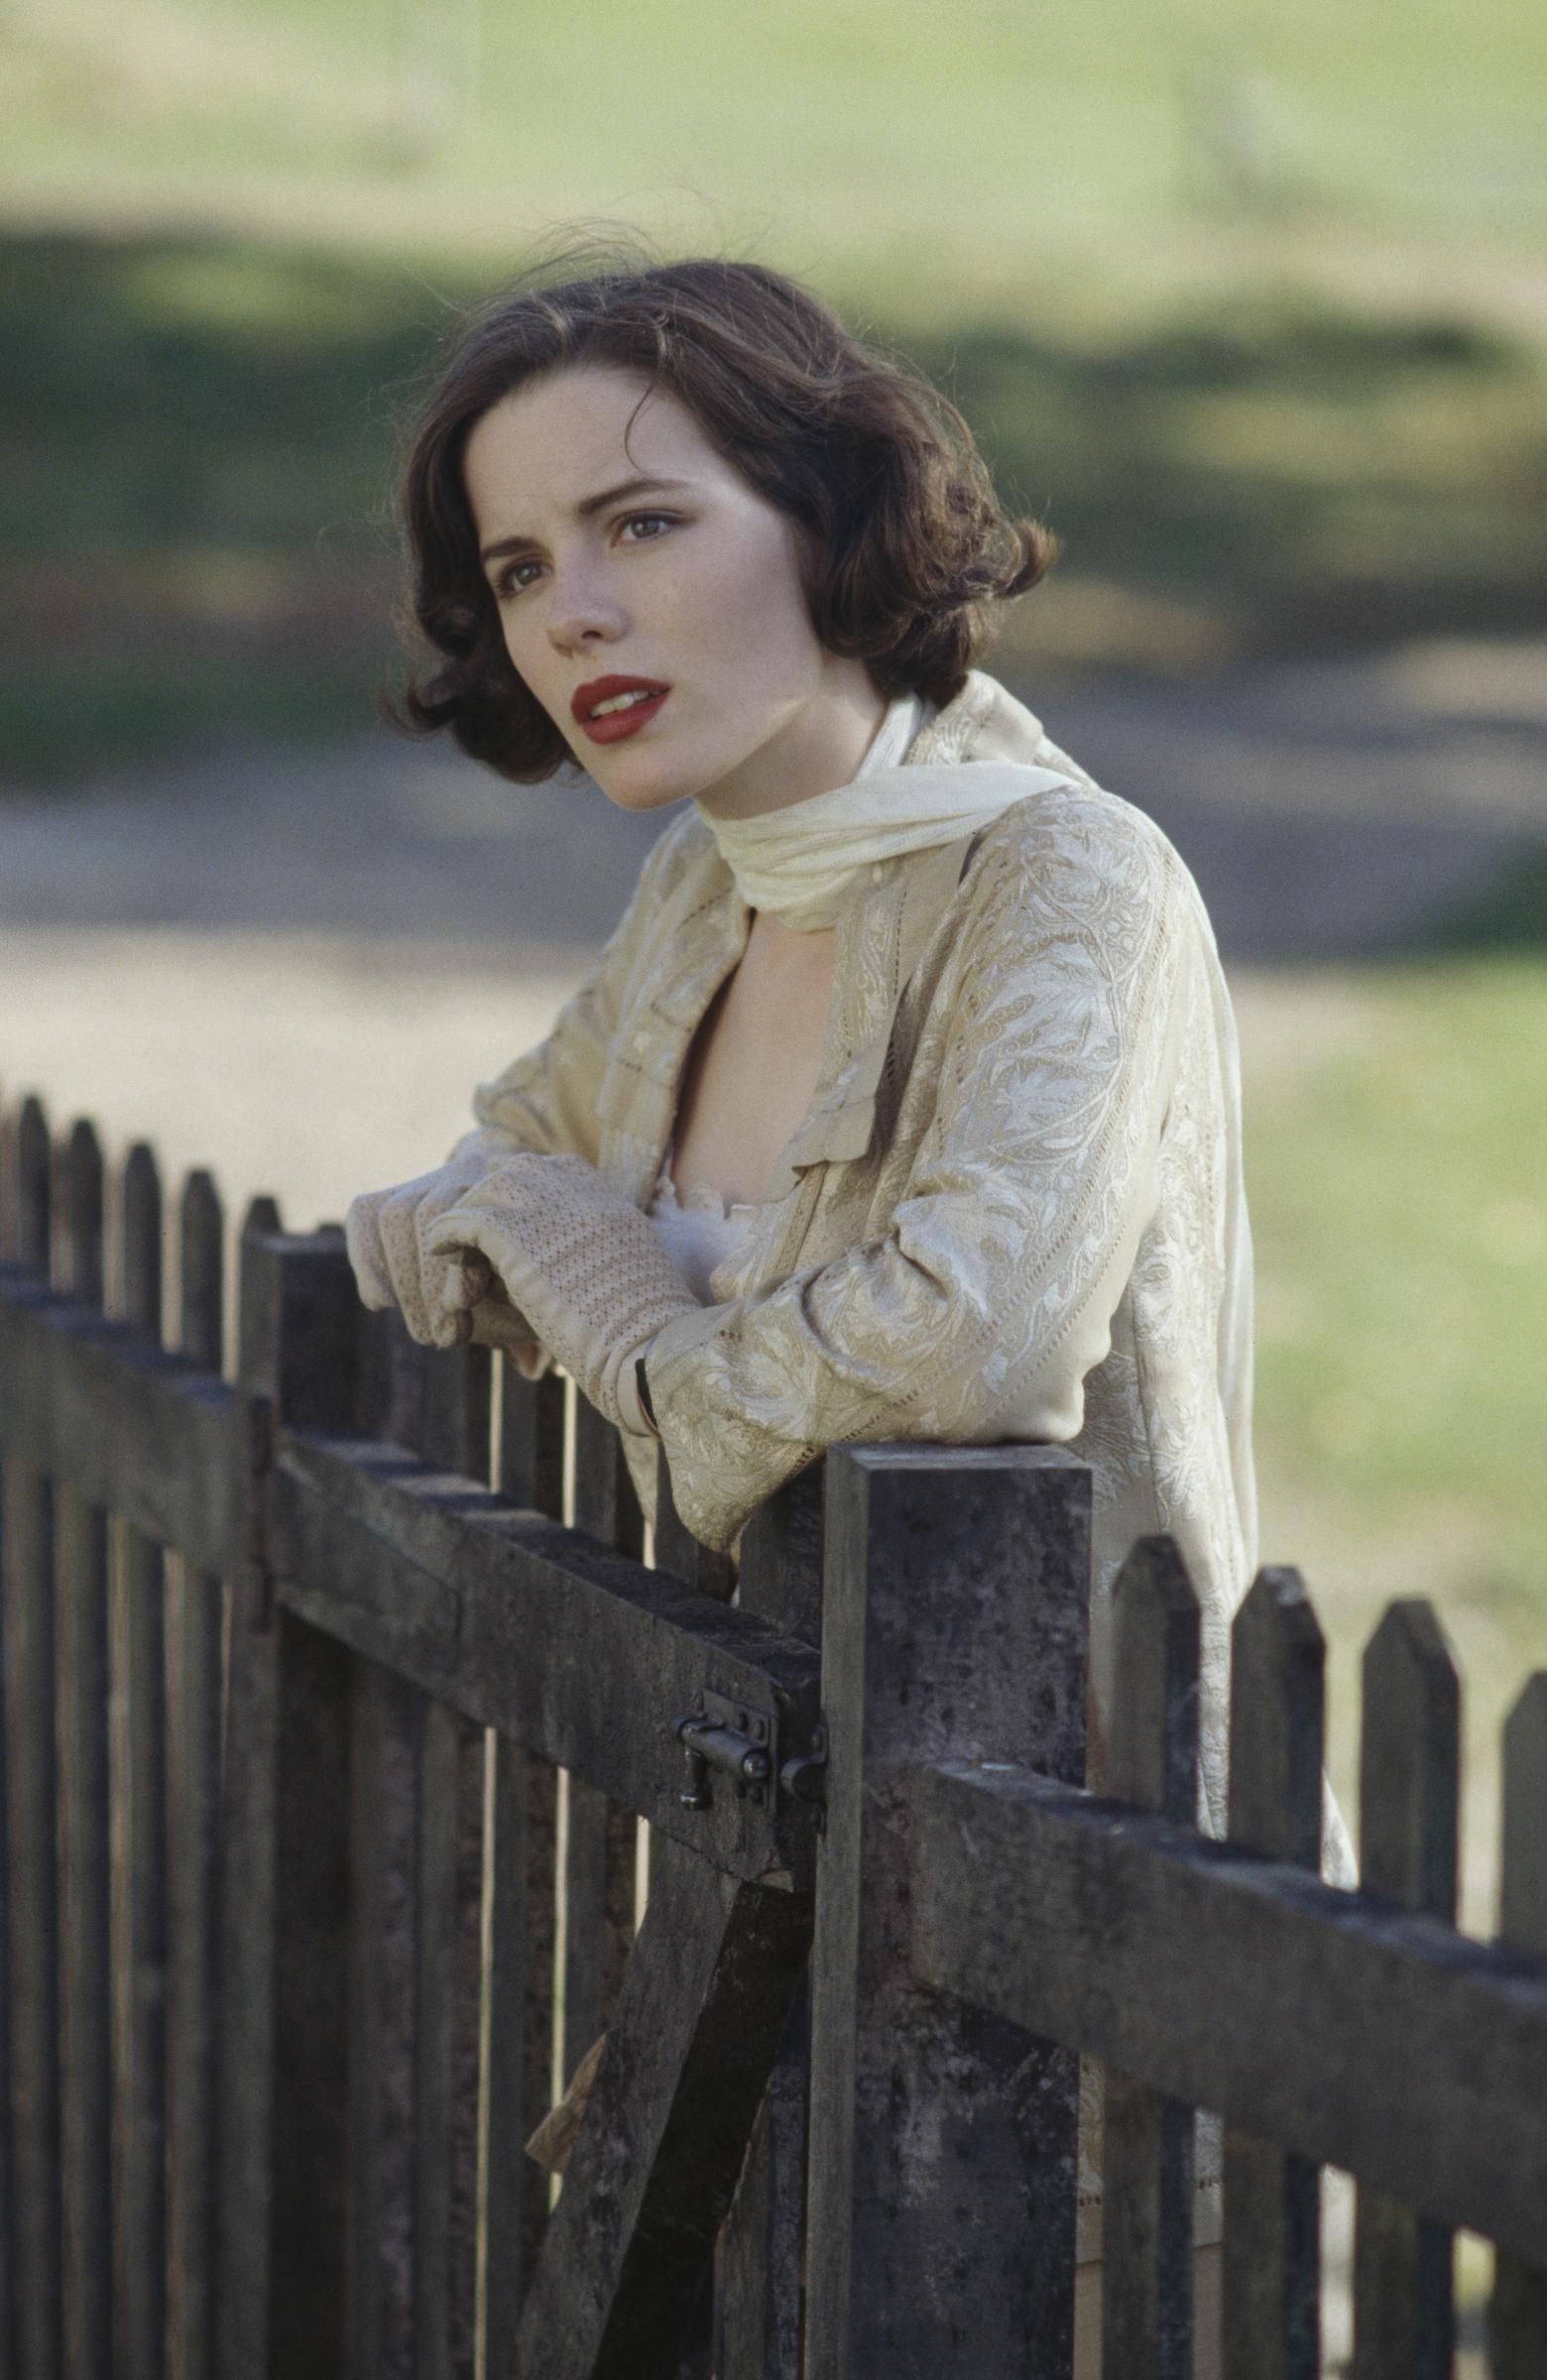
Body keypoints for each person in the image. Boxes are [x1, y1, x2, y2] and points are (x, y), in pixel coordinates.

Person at [344, 241, 1348, 2366]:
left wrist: (621, 1328)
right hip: (774, 1916)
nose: (574, 615)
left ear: (826, 514)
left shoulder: (1069, 880)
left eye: (642, 523)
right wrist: (520, 1229)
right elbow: (485, 1173)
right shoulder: (711, 879)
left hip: (1077, 1962)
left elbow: (970, 1341)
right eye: (523, 570)